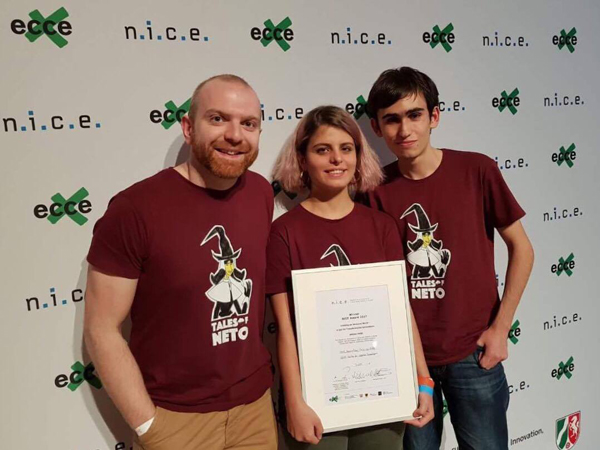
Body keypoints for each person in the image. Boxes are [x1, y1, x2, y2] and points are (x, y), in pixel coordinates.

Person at [84, 74, 277, 450]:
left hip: (255, 412)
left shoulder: (260, 192)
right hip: (175, 421)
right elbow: (101, 329)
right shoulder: (134, 210)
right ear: (188, 127)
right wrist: (149, 427)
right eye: (218, 119)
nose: (234, 135)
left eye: (248, 123)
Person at [365, 67, 535, 450]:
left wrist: (501, 329)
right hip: (408, 363)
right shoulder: (374, 191)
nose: (404, 130)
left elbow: (522, 248)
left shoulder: (477, 170)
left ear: (435, 116)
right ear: (376, 127)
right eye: (391, 119)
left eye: (414, 115)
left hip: (474, 354)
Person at [267, 105, 435, 450]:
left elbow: (401, 312)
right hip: (316, 401)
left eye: (346, 149)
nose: (336, 159)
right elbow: (285, 330)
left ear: (358, 157)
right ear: (302, 159)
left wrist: (423, 381)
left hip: (383, 395)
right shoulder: (284, 232)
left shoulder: (382, 227)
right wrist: (295, 402)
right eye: (322, 150)